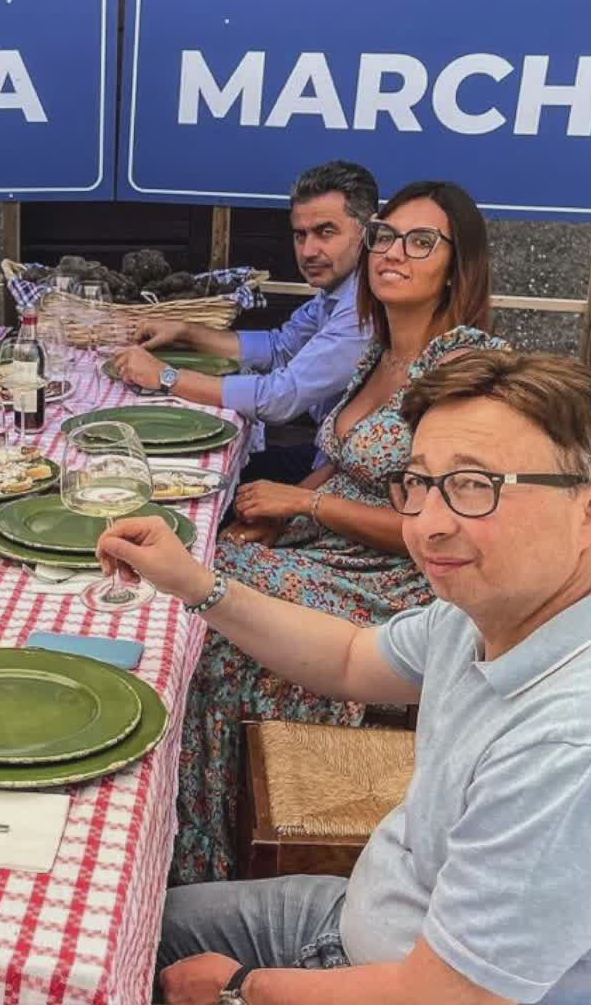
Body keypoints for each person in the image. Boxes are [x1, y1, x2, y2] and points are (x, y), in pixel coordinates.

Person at [101, 351, 591, 1005]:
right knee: (113, 932)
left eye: (475, 486)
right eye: (419, 483)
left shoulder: (587, 743)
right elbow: (351, 656)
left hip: (409, 980)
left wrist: (239, 989)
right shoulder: (499, 606)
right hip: (372, 922)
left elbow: (449, 997)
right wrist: (194, 583)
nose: (429, 525)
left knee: (105, 966)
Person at [173, 179, 506, 884]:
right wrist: (281, 507)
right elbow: (344, 462)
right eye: (387, 237)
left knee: (209, 599)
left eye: (422, 243)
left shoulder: (466, 367)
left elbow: (442, 530)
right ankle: (192, 830)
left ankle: (216, 864)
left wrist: (304, 507)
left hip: (401, 583)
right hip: (332, 551)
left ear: (459, 265)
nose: (394, 253)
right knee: (214, 556)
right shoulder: (375, 354)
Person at [111, 161, 377, 483]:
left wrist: (165, 376)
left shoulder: (363, 307)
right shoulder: (339, 288)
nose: (308, 251)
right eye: (300, 235)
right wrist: (187, 331)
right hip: (325, 459)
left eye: (326, 232)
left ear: (369, 232)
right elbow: (279, 347)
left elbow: (280, 398)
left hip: (344, 480)